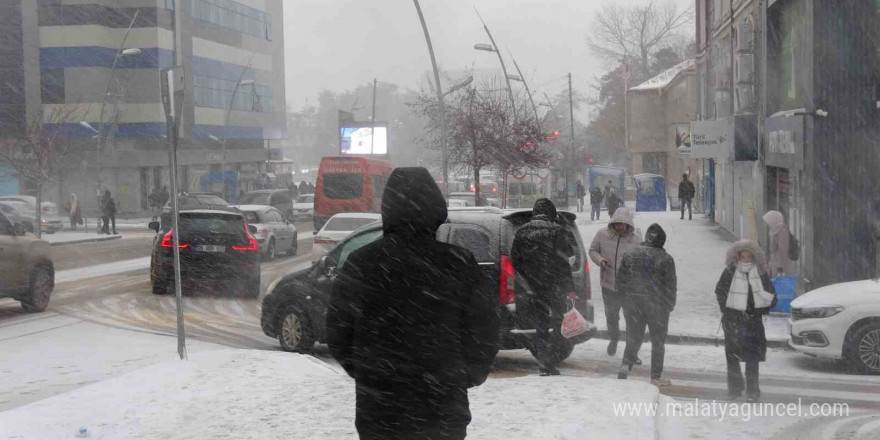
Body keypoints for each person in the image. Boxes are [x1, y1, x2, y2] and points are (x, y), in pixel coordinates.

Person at [327, 167, 499, 440]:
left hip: (381, 409)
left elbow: (338, 332)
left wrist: (368, 372)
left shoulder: (362, 263)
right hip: (442, 406)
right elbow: (486, 329)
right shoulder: (459, 263)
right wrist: (463, 375)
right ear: (436, 209)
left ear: (387, 209)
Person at [510, 198, 575, 376]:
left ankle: (544, 361)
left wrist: (527, 281)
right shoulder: (557, 231)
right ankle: (551, 358)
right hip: (555, 286)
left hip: (534, 286)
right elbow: (565, 260)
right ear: (550, 213)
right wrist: (569, 287)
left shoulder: (522, 232)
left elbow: (515, 260)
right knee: (559, 322)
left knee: (541, 323)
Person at [714, 240, 776, 402]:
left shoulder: (760, 275)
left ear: (755, 258)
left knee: (752, 357)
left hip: (752, 322)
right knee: (732, 356)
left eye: (749, 257)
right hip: (733, 321)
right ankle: (734, 389)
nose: (746, 260)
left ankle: (752, 391)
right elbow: (720, 291)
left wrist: (757, 310)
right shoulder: (729, 272)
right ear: (737, 257)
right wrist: (728, 310)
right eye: (743, 256)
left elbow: (772, 297)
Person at [616, 224, 677, 387]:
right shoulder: (666, 259)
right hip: (657, 306)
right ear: (662, 242)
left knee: (633, 336)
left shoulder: (630, 254)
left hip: (632, 303)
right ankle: (655, 377)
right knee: (658, 342)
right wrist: (669, 305)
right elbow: (670, 286)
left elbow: (620, 279)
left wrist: (623, 300)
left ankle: (625, 365)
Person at [589, 208, 642, 358]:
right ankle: (614, 339)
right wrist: (600, 260)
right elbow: (593, 250)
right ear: (613, 223)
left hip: (628, 288)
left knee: (631, 319)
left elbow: (642, 259)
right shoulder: (602, 234)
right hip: (608, 285)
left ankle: (631, 352)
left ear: (628, 224)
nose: (620, 227)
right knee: (612, 316)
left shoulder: (636, 239)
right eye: (617, 224)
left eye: (623, 224)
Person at [762, 210, 795, 277]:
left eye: (769, 221)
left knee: (781, 285)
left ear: (774, 220)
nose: (768, 224)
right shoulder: (775, 230)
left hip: (781, 269)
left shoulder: (782, 230)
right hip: (776, 266)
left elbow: (783, 250)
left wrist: (780, 269)